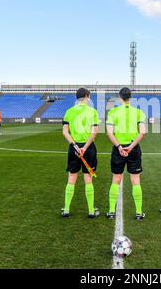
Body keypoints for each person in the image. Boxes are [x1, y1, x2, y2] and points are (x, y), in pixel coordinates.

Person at [106, 87, 147, 221]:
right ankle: (139, 212)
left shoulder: (113, 112)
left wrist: (119, 146)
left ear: (119, 97)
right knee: (135, 180)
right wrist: (131, 146)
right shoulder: (139, 112)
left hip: (118, 149)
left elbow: (109, 133)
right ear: (130, 97)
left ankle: (111, 211)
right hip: (133, 148)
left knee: (116, 179)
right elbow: (143, 132)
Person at [61, 88, 100, 219]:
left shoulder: (69, 112)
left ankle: (66, 209)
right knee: (87, 178)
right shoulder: (92, 112)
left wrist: (75, 146)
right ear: (87, 96)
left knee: (71, 178)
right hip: (88, 148)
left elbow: (65, 132)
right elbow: (94, 132)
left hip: (74, 148)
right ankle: (90, 211)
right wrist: (84, 148)